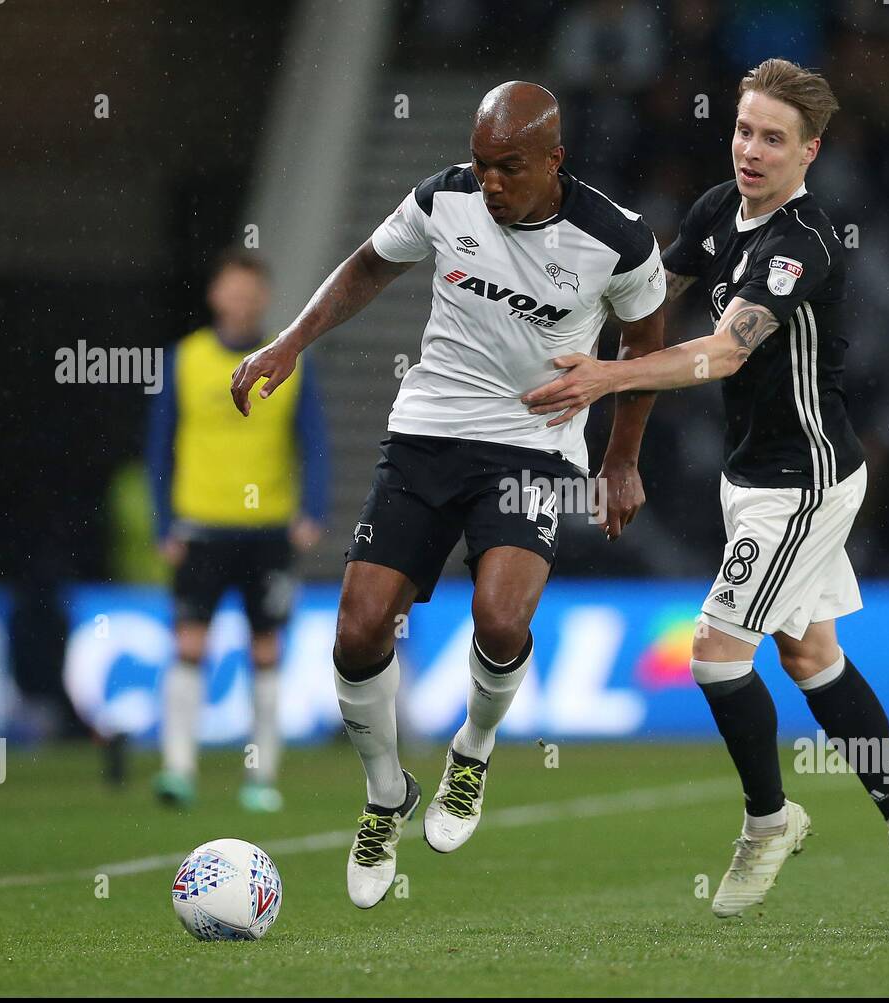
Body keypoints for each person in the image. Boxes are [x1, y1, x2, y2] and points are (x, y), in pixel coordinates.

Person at [523, 59, 889, 923]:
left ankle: (769, 820)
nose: (751, 151)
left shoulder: (803, 245)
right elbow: (653, 295)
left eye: (773, 139)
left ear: (810, 153)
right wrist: (569, 314)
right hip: (748, 474)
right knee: (811, 658)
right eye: (743, 130)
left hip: (807, 479)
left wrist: (607, 377)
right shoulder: (719, 209)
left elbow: (722, 350)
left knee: (717, 654)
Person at [230, 82, 666, 909]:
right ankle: (386, 791)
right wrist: (291, 342)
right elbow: (367, 265)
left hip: (534, 445)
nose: (491, 182)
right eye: (482, 165)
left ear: (553, 161)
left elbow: (646, 343)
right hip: (428, 432)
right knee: (358, 630)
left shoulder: (617, 239)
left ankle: (473, 748)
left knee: (501, 618)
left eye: (510, 168)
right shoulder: (443, 197)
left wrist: (621, 456)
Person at [147, 249, 328, 812]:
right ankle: (178, 769)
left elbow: (313, 441)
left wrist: (312, 511)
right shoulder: (186, 359)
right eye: (233, 290)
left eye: (252, 291)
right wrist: (162, 522)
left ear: (264, 298)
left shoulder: (288, 359)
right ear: (215, 295)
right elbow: (159, 445)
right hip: (201, 524)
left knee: (267, 648)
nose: (242, 300)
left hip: (268, 527)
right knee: (189, 643)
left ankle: (261, 777)